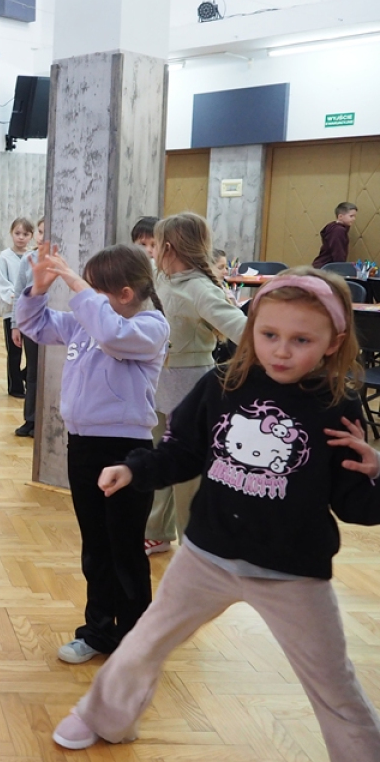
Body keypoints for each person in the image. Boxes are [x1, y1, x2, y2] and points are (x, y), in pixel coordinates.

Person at [53, 268, 380, 758]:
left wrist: (375, 473)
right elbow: (182, 450)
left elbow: (354, 504)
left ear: (332, 343)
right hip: (206, 557)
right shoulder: (224, 383)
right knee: (143, 644)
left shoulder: (338, 405)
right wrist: (134, 468)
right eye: (269, 335)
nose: (282, 351)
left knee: (334, 683)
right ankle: (101, 717)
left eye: (301, 340)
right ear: (251, 331)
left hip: (292, 573)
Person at [17, 244, 169, 666]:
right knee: (96, 546)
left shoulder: (150, 327)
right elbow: (34, 324)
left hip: (126, 451)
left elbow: (111, 334)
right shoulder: (88, 322)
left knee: (125, 548)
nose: (84, 295)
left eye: (94, 288)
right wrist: (37, 290)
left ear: (124, 294)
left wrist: (75, 283)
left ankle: (136, 640)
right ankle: (99, 631)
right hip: (83, 446)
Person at [145, 213, 247, 556]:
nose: (152, 251)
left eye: (155, 244)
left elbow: (244, 331)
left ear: (168, 247)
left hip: (189, 386)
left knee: (187, 470)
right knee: (158, 458)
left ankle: (195, 544)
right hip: (159, 383)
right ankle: (155, 532)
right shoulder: (162, 280)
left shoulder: (200, 289)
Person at [8, 219, 45, 437]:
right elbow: (19, 294)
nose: (41, 237)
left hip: (52, 327)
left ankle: (44, 420)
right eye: (39, 232)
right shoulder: (28, 259)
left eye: (45, 232)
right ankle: (30, 419)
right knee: (32, 373)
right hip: (31, 326)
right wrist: (16, 325)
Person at [0, 218, 34, 399]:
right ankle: (15, 387)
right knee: (14, 351)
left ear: (31, 236)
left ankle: (27, 377)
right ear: (11, 233)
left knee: (33, 351)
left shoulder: (33, 256)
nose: (21, 237)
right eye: (17, 233)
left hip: (31, 311)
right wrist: (16, 297)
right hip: (12, 311)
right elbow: (2, 282)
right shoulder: (4, 257)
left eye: (25, 234)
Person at [312, 202, 358, 269]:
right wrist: (341, 268)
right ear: (340, 216)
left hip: (322, 265)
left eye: (354, 216)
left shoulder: (333, 227)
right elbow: (338, 252)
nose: (354, 219)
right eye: (351, 216)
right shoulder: (338, 231)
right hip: (327, 267)